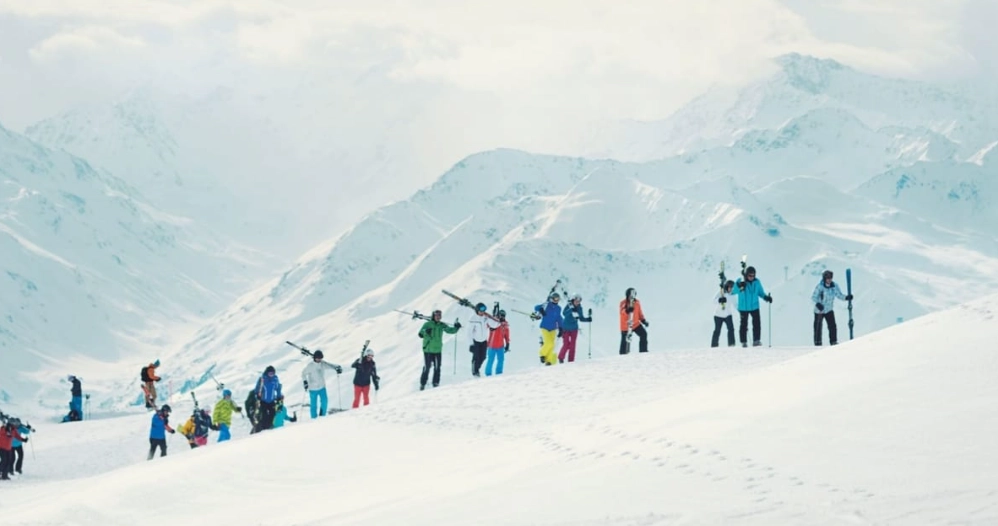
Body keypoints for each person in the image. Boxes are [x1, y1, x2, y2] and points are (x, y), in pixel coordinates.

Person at [418, 310, 461, 390]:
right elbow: (420, 334)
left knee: (437, 367)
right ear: (433, 316)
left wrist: (456, 327)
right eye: (436, 315)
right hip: (428, 350)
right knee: (427, 367)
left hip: (437, 350)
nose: (438, 317)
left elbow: (450, 330)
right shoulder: (427, 324)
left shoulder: (441, 325)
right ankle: (422, 384)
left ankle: (436, 383)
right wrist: (426, 331)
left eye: (439, 315)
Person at [812, 270, 852, 346]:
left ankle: (833, 341)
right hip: (819, 311)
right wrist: (818, 304)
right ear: (824, 278)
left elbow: (839, 295)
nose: (829, 279)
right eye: (828, 278)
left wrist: (846, 297)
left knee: (832, 326)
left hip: (829, 310)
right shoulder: (820, 287)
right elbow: (813, 297)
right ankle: (817, 343)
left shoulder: (834, 286)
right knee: (818, 328)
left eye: (830, 278)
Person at [735, 266, 772, 347]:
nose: (751, 277)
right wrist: (739, 285)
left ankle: (756, 340)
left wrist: (766, 297)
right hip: (744, 307)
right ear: (746, 274)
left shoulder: (757, 282)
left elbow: (760, 292)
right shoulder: (740, 281)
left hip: (754, 306)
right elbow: (734, 291)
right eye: (750, 275)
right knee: (744, 324)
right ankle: (743, 342)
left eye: (753, 275)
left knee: (757, 323)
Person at [301, 350, 342, 419]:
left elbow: (330, 365)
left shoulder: (323, 364)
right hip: (313, 388)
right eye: (317, 358)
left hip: (322, 387)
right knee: (313, 405)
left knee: (325, 401)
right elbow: (303, 373)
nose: (319, 359)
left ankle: (322, 416)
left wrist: (337, 368)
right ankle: (313, 418)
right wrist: (305, 382)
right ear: (314, 358)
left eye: (320, 358)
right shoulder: (310, 366)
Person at [468, 302, 499, 377]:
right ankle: (475, 371)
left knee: (483, 357)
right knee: (476, 357)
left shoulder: (485, 318)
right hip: (476, 341)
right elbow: (469, 332)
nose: (482, 312)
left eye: (483, 310)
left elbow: (493, 325)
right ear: (477, 310)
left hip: (484, 341)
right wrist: (471, 344)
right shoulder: (473, 319)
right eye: (481, 310)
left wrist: (498, 322)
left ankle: (477, 368)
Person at [559, 294, 592, 363]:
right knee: (566, 344)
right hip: (566, 328)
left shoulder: (580, 308)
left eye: (579, 301)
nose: (577, 302)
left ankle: (571, 361)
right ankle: (561, 358)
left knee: (573, 345)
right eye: (576, 301)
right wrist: (571, 310)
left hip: (574, 328)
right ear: (573, 300)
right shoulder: (569, 306)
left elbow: (581, 318)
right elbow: (564, 313)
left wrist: (588, 319)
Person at [534, 292, 563, 365]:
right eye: (555, 298)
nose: (556, 300)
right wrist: (541, 309)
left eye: (558, 299)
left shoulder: (558, 308)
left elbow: (559, 318)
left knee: (552, 344)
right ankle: (542, 354)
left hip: (553, 328)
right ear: (552, 299)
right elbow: (536, 307)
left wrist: (561, 328)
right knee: (548, 343)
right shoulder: (547, 305)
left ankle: (549, 361)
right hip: (545, 327)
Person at [618, 288, 649, 354]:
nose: (631, 296)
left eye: (633, 294)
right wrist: (627, 310)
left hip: (635, 324)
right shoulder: (623, 303)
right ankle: (622, 355)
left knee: (643, 334)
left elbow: (639, 313)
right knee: (625, 341)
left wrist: (643, 321)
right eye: (630, 295)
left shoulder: (637, 302)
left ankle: (643, 351)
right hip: (626, 325)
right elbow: (622, 312)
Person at [255, 366, 282, 432]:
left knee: (272, 413)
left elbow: (278, 388)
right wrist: (257, 395)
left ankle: (269, 426)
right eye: (270, 373)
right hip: (263, 400)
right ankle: (263, 428)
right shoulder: (262, 379)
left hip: (272, 400)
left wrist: (278, 397)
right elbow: (257, 388)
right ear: (267, 373)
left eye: (273, 373)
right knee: (264, 414)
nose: (271, 375)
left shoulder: (275, 379)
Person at [485, 309, 511, 375]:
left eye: (503, 316)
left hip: (500, 346)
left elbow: (507, 335)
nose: (502, 317)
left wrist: (507, 343)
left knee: (501, 360)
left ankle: (499, 373)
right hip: (491, 345)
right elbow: (487, 325)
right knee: (490, 360)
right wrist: (493, 320)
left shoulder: (505, 324)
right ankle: (488, 374)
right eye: (501, 315)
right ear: (498, 315)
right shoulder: (494, 322)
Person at [711, 281, 737, 347]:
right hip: (718, 315)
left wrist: (741, 311)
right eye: (730, 287)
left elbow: (736, 304)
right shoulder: (721, 292)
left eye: (732, 287)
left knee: (731, 329)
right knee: (717, 330)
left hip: (728, 315)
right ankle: (714, 345)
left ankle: (731, 344)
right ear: (726, 286)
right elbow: (713, 300)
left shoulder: (732, 295)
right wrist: (720, 300)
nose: (731, 289)